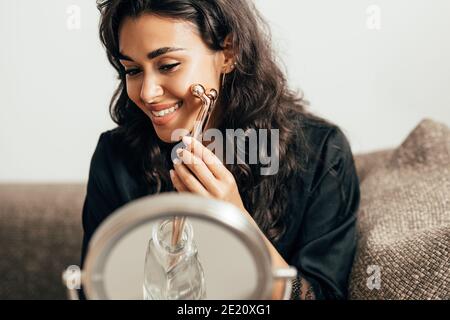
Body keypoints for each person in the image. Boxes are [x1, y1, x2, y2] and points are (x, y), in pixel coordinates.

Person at [81, 0, 360, 300]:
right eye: (133, 70)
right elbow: (95, 289)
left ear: (229, 53)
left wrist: (236, 224)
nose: (147, 92)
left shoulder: (322, 153)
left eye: (168, 66)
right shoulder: (115, 156)